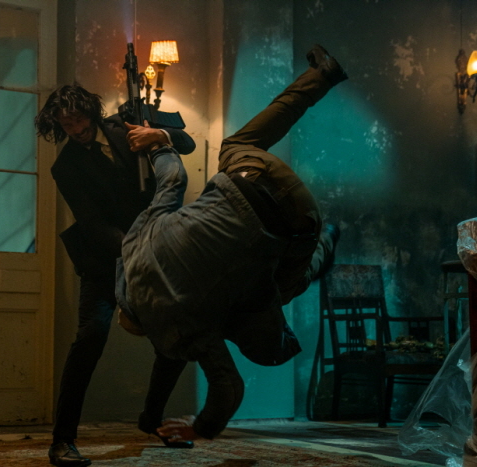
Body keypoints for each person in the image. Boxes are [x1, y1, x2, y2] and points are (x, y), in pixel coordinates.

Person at [115, 44, 348, 441]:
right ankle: (323, 75)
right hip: (252, 175)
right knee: (236, 145)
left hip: (300, 219)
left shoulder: (182, 330)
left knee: (280, 289)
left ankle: (328, 239)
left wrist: (200, 428)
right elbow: (173, 179)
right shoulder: (140, 241)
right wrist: (158, 143)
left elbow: (229, 387)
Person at [35, 84, 197, 467]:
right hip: (105, 259)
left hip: (155, 250)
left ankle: (152, 419)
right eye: (66, 125)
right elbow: (91, 222)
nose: (76, 129)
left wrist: (158, 135)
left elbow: (187, 143)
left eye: (79, 119)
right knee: (89, 338)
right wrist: (133, 248)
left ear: (90, 111)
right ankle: (62, 441)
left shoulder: (129, 124)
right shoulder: (65, 167)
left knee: (177, 338)